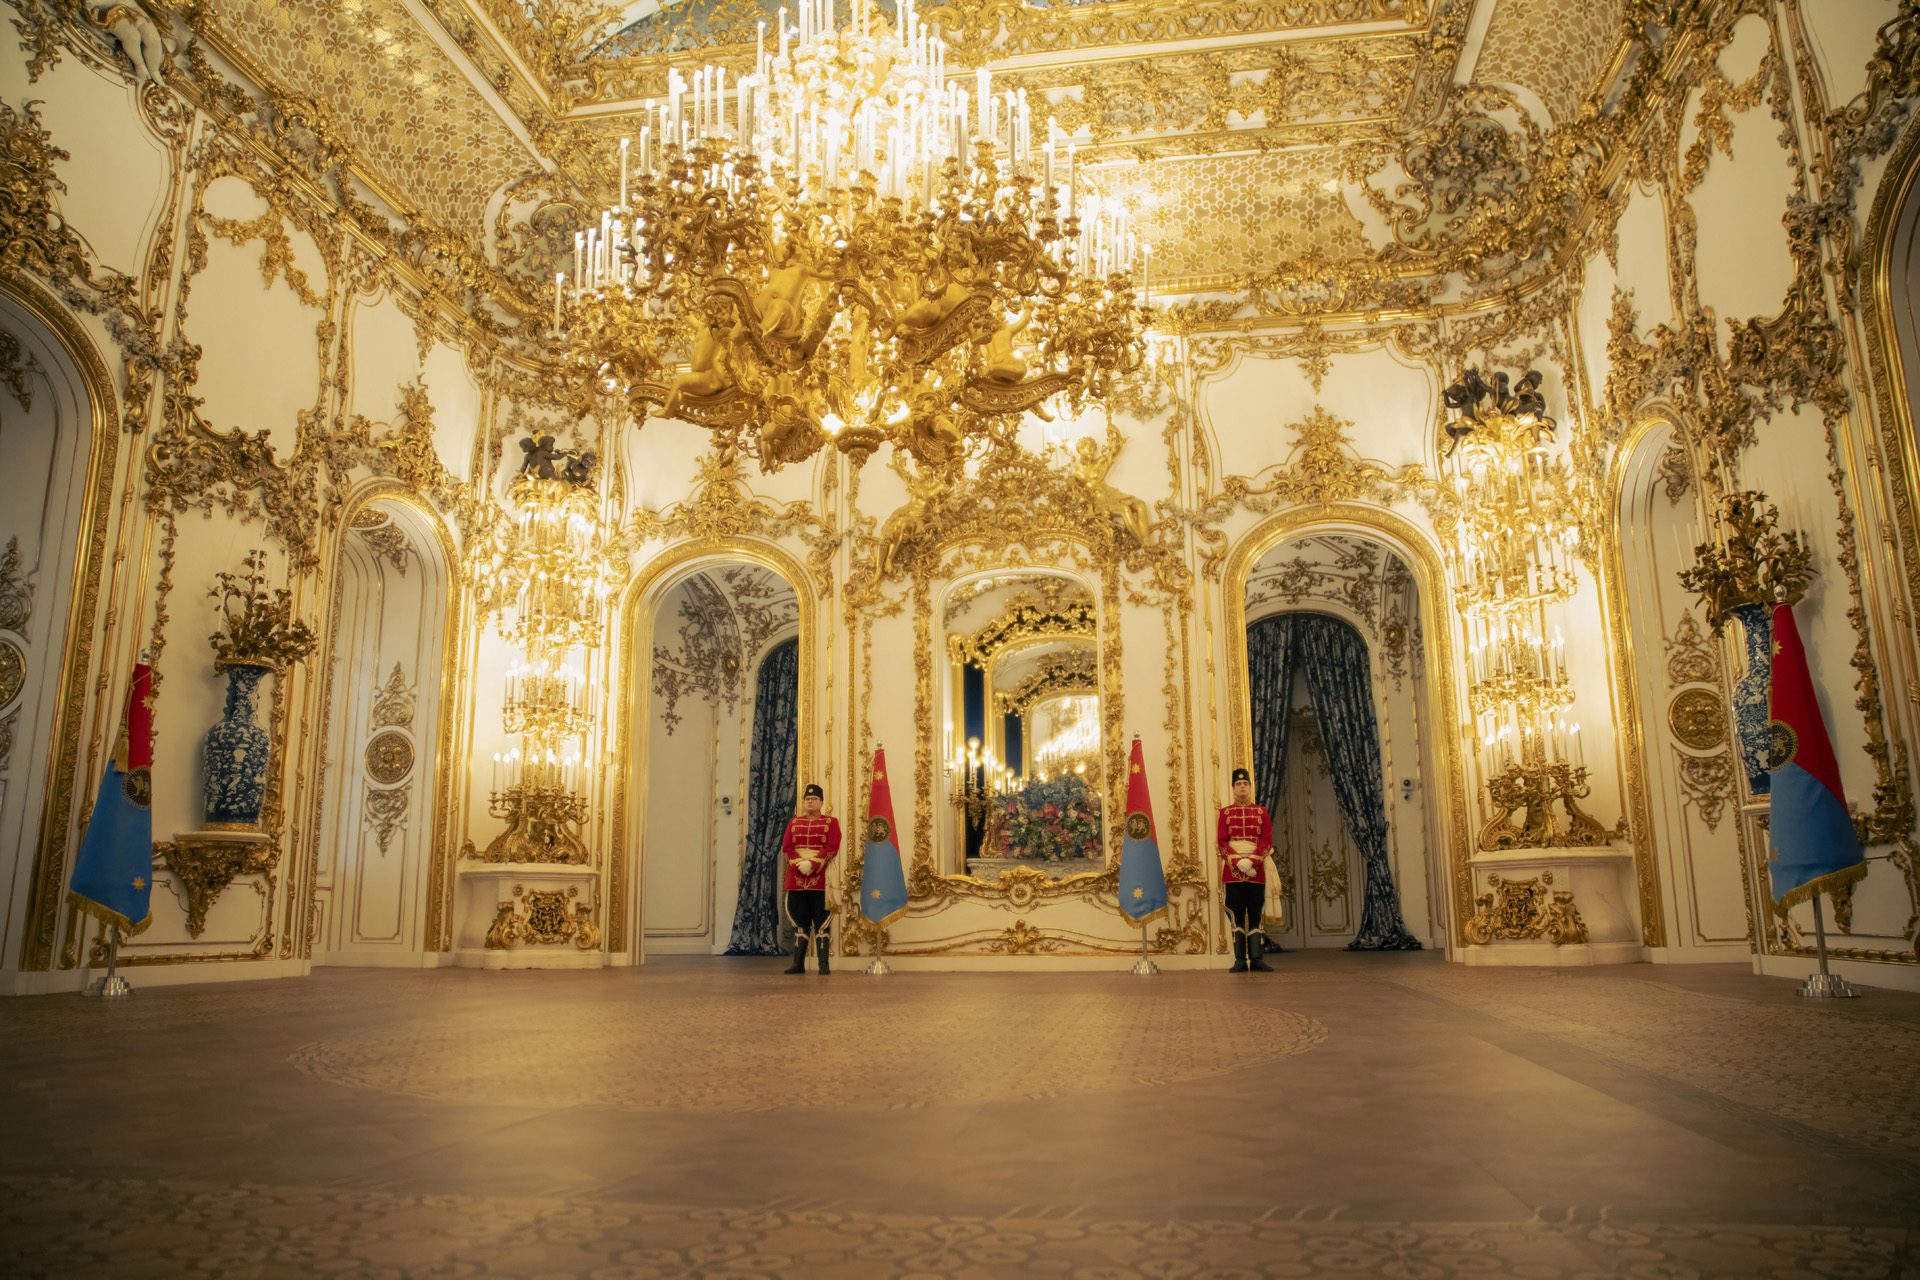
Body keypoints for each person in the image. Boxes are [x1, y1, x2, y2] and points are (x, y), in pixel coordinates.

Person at [1217, 767, 1275, 973]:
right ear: (1233, 789)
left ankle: (1257, 959)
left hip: (1255, 870)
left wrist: (1252, 861)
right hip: (1233, 872)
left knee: (1256, 913)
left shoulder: (1262, 812)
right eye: (1238, 784)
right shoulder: (1225, 813)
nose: (1242, 787)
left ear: (1250, 788)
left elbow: (1266, 840)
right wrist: (1237, 862)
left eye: (1245, 784)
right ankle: (1240, 960)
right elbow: (1222, 842)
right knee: (1236, 914)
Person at [782, 783, 841, 974]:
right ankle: (797, 964)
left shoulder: (831, 822)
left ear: (821, 802)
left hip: (820, 877)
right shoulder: (793, 822)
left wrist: (813, 864)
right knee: (799, 921)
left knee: (822, 921)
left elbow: (832, 847)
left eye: (814, 799)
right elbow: (787, 848)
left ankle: (823, 965)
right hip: (796, 875)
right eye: (807, 799)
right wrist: (799, 863)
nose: (809, 801)